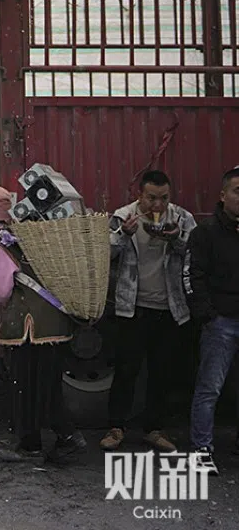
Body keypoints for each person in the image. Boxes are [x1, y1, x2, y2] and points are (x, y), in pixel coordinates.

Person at [0, 184, 86, 463]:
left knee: (24, 383)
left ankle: (52, 438)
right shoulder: (20, 233)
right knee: (44, 382)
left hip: (28, 324)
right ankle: (40, 439)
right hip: (52, 321)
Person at [101, 170, 196, 453]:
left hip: (169, 308)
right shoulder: (123, 217)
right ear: (139, 195)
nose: (158, 205)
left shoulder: (181, 218)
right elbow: (105, 253)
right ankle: (116, 427)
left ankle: (154, 429)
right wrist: (124, 235)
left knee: (162, 372)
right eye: (151, 198)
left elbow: (195, 253)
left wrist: (177, 240)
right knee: (126, 370)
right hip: (132, 307)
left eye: (164, 198)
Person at [187, 166, 239, 476]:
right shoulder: (205, 233)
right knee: (209, 389)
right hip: (221, 323)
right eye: (238, 191)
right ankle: (200, 452)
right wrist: (207, 314)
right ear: (222, 196)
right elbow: (193, 275)